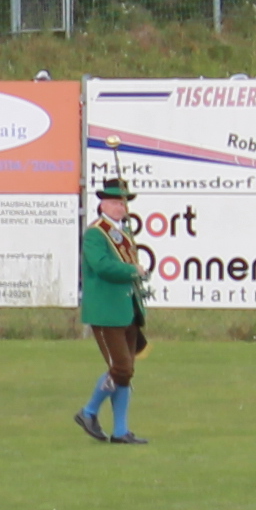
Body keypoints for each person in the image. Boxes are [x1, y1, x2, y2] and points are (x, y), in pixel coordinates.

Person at [78, 174, 153, 442]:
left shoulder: (123, 233)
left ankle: (120, 430)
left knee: (126, 370)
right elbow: (101, 266)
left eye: (123, 203)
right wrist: (132, 270)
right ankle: (89, 411)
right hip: (106, 311)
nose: (120, 207)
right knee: (121, 367)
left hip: (127, 309)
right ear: (103, 205)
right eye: (115, 202)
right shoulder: (95, 234)